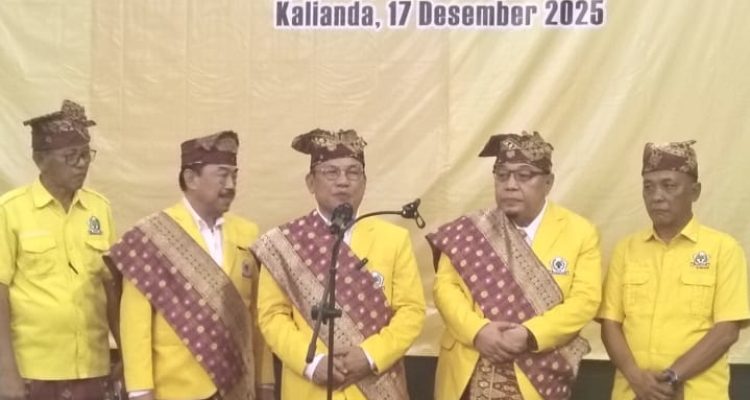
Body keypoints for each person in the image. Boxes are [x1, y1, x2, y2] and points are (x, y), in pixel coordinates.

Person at [251, 128, 426, 399]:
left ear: (364, 182)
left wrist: (369, 355)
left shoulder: (393, 239)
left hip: (376, 386)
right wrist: (312, 363)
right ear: (311, 182)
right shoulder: (285, 243)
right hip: (309, 388)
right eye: (331, 172)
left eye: (353, 172)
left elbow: (411, 311)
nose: (343, 181)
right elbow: (272, 316)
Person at [428, 131, 601, 399]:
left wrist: (530, 334)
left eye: (524, 175)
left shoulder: (579, 232)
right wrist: (478, 331)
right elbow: (445, 288)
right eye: (502, 175)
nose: (510, 185)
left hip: (538, 374)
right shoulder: (471, 230)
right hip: (468, 371)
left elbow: (584, 301)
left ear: (548, 182)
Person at [106, 131, 274, 400]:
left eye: (234, 176)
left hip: (237, 388)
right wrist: (139, 391)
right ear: (191, 178)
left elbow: (257, 318)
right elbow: (135, 325)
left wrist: (265, 383)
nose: (230, 185)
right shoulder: (153, 237)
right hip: (176, 390)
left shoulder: (247, 233)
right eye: (222, 175)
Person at [598, 140, 750, 400]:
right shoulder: (626, 249)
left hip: (696, 393)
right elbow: (610, 323)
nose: (657, 196)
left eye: (669, 186)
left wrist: (672, 377)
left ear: (695, 191)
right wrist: (637, 379)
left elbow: (727, 330)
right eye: (648, 187)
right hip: (632, 392)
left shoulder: (724, 249)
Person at [0, 100, 119, 400]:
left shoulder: (99, 209)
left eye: (86, 154)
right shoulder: (10, 211)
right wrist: (6, 372)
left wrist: (127, 354)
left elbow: (111, 288)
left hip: (91, 368)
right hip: (33, 371)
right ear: (40, 160)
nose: (82, 164)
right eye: (71, 156)